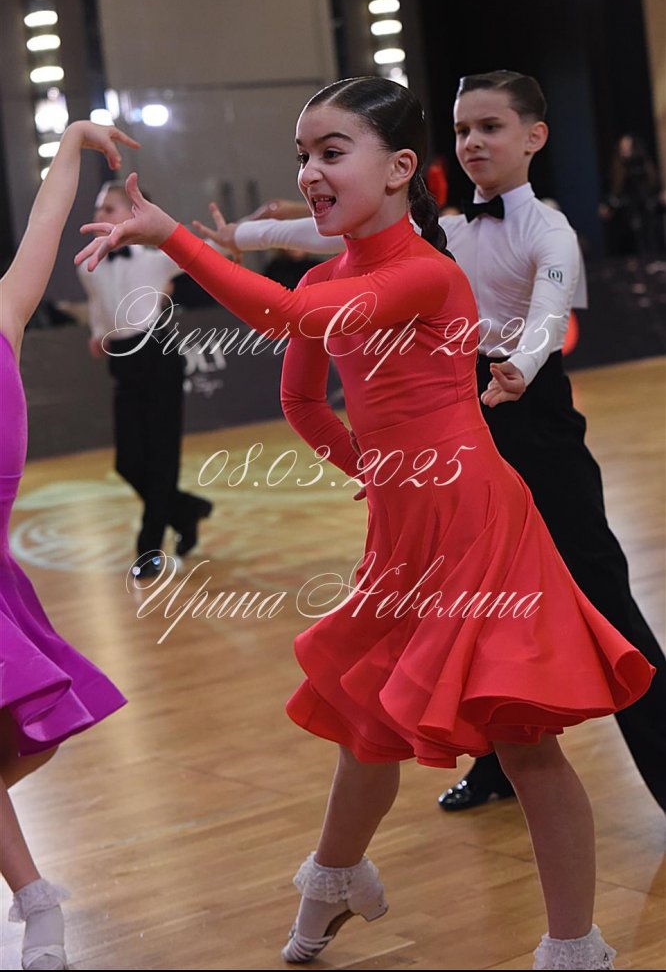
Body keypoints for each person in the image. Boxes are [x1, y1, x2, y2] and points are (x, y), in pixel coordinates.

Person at [76, 76, 655, 970]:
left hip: (476, 524)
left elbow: (288, 317)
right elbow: (302, 401)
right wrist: (372, 468)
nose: (309, 171)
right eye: (302, 155)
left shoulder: (426, 273)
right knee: (363, 717)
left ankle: (575, 946)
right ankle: (336, 876)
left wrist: (174, 238)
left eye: (331, 152)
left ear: (398, 169)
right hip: (402, 530)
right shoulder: (325, 271)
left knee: (524, 741)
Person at [193, 70, 666, 817]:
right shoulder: (442, 226)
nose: (472, 142)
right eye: (463, 128)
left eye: (490, 127)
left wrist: (523, 366)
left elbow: (549, 312)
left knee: (602, 599)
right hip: (451, 417)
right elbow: (320, 236)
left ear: (535, 137)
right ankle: (495, 764)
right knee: (465, 615)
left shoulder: (549, 229)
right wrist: (245, 235)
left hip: (529, 414)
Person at [1, 121, 131, 971]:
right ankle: (36, 897)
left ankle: (37, 898)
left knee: (25, 737)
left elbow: (45, 223)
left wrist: (72, 145)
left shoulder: (5, 311)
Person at [77, 182, 213, 579]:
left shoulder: (154, 257)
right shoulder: (87, 263)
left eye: (109, 208)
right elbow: (98, 306)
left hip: (158, 355)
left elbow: (201, 255)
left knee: (161, 460)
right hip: (123, 361)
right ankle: (186, 511)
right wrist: (98, 333)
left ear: (132, 214)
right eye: (98, 208)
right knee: (128, 462)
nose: (100, 215)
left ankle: (149, 549)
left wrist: (231, 239)